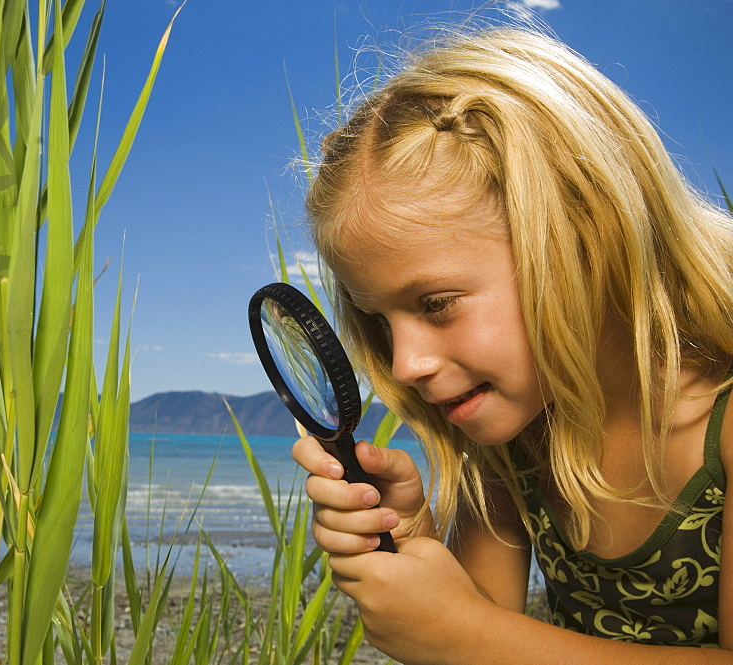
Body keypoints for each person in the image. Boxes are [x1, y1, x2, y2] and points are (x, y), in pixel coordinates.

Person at [291, 22, 733, 664]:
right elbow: (482, 627)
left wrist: (461, 635)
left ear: (586, 240)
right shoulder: (517, 440)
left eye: (435, 305)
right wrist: (415, 546)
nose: (405, 364)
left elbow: (480, 639)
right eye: (381, 324)